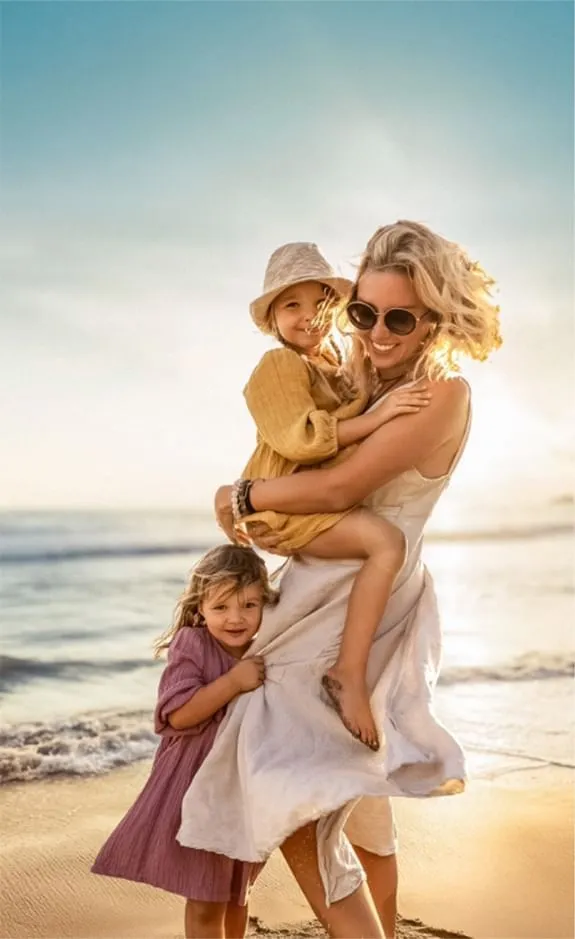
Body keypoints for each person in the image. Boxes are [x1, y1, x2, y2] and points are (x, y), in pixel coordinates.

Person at [178, 220, 502, 939]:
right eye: (362, 311)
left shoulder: (441, 394)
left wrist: (241, 495)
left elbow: (336, 486)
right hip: (312, 591)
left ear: (433, 319)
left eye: (397, 317)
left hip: (356, 606)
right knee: (308, 800)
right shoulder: (356, 379)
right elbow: (305, 441)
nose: (376, 331)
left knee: (285, 794)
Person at [237, 241, 431, 749]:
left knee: (384, 545)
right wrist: (379, 415)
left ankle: (347, 666)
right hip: (286, 501)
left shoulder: (328, 363)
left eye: (319, 302)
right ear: (272, 318)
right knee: (386, 544)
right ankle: (348, 672)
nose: (307, 317)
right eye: (290, 305)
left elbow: (359, 400)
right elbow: (299, 437)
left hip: (313, 498)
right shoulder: (275, 366)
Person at [92, 545, 277, 939]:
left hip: (245, 787)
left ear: (266, 605)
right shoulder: (192, 644)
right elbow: (177, 715)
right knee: (206, 894)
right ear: (200, 608)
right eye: (222, 607)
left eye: (249, 605)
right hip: (198, 786)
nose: (236, 618)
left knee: (237, 892)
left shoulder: (266, 648)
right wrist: (232, 682)